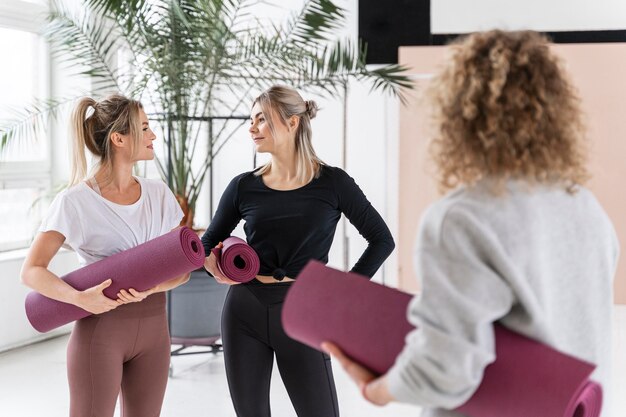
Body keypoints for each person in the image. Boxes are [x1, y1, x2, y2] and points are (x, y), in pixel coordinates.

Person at [323, 30, 619, 417]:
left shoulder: (462, 219)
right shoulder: (584, 206)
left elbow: (446, 370)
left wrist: (379, 389)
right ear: (556, 113)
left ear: (461, 115)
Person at [201, 85, 395, 417]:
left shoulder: (333, 183)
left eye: (261, 119)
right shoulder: (242, 186)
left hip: (304, 313)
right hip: (243, 311)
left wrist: (344, 291)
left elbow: (381, 240)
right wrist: (213, 265)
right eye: (252, 120)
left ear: (293, 123)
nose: (252, 128)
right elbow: (205, 245)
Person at [20, 94, 188, 417]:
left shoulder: (159, 194)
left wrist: (154, 288)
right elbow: (31, 270)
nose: (153, 135)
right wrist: (80, 298)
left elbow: (180, 269)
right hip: (100, 329)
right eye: (145, 127)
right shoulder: (75, 202)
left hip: (155, 329)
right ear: (119, 138)